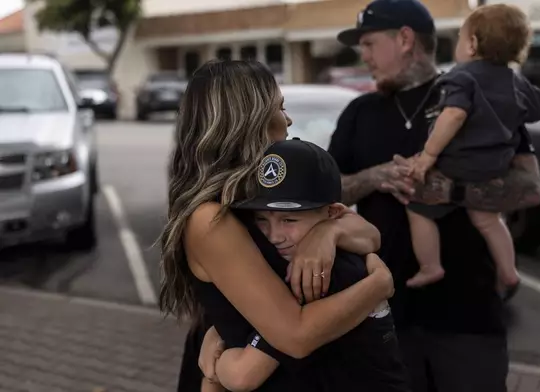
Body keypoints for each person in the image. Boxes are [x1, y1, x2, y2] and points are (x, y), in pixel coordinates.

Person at [327, 0, 540, 391]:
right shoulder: (359, 112)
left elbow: (530, 188)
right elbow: (328, 194)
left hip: (470, 318)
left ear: (406, 39)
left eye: (370, 43)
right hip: (383, 316)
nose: (364, 55)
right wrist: (376, 176)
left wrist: (451, 189)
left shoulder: (478, 92)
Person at [162, 60, 394, 392]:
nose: (288, 120)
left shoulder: (259, 192)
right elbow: (295, 336)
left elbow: (369, 236)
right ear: (248, 119)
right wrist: (379, 285)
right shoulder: (208, 218)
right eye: (279, 107)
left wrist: (329, 232)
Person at [210, 138, 411, 392]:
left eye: (289, 219)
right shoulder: (315, 252)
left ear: (333, 213)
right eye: (261, 219)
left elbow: (242, 376)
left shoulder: (320, 275)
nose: (274, 236)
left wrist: (219, 360)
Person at [404, 4, 540, 289]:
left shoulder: (462, 76)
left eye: (459, 37)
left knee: (417, 206)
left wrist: (428, 155)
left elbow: (454, 115)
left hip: (457, 162)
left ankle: (430, 266)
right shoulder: (516, 82)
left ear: (472, 44)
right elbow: (537, 111)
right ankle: (508, 271)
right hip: (495, 166)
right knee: (488, 220)